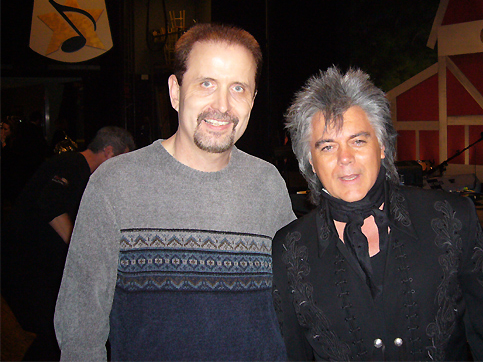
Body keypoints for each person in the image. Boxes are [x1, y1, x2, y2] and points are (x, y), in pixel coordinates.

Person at [54, 23, 297, 361]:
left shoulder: (267, 184)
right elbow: (80, 330)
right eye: (206, 83)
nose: (223, 105)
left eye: (238, 88)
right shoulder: (116, 184)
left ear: (252, 101)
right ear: (176, 91)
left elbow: (294, 301)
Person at [272, 67, 483, 361]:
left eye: (358, 141)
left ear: (382, 147)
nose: (345, 159)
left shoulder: (450, 218)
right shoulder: (289, 249)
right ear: (311, 163)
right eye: (328, 146)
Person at [2, 126, 135, 361]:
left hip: (32, 265)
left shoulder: (76, 168)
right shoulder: (73, 166)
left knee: (49, 338)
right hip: (27, 266)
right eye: (122, 159)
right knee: (50, 337)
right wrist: (79, 247)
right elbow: (49, 204)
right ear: (109, 152)